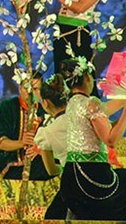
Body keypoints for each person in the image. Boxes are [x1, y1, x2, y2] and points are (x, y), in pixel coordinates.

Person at [58, 57, 126, 221]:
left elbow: (103, 123)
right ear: (88, 78)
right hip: (92, 177)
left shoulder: (72, 103)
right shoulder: (92, 102)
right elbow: (110, 140)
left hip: (71, 177)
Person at [0, 76, 51, 180]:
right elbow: (0, 143)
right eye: (26, 88)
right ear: (20, 88)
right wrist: (22, 143)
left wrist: (39, 150)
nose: (30, 93)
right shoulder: (8, 107)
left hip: (39, 163)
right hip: (13, 164)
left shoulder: (46, 112)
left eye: (35, 89)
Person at [33, 74, 70, 219]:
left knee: (51, 218)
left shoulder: (47, 132)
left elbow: (51, 170)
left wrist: (65, 167)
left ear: (45, 103)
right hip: (103, 177)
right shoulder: (83, 117)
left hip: (72, 182)